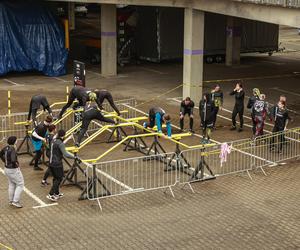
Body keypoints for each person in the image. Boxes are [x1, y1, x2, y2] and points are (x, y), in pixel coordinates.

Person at [47, 129, 77, 202]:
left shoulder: (54, 140)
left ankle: (56, 193)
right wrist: (75, 157)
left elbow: (60, 145)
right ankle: (50, 194)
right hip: (57, 164)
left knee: (55, 178)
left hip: (51, 162)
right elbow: (66, 154)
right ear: (63, 135)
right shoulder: (60, 143)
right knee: (59, 178)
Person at [0, 136, 24, 208]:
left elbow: (0, 154)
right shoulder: (13, 148)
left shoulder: (6, 148)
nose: (17, 141)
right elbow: (13, 160)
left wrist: (5, 161)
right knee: (20, 184)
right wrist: (16, 165)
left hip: (6, 169)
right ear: (14, 141)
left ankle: (11, 200)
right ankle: (15, 201)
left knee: (12, 184)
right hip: (13, 170)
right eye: (16, 140)